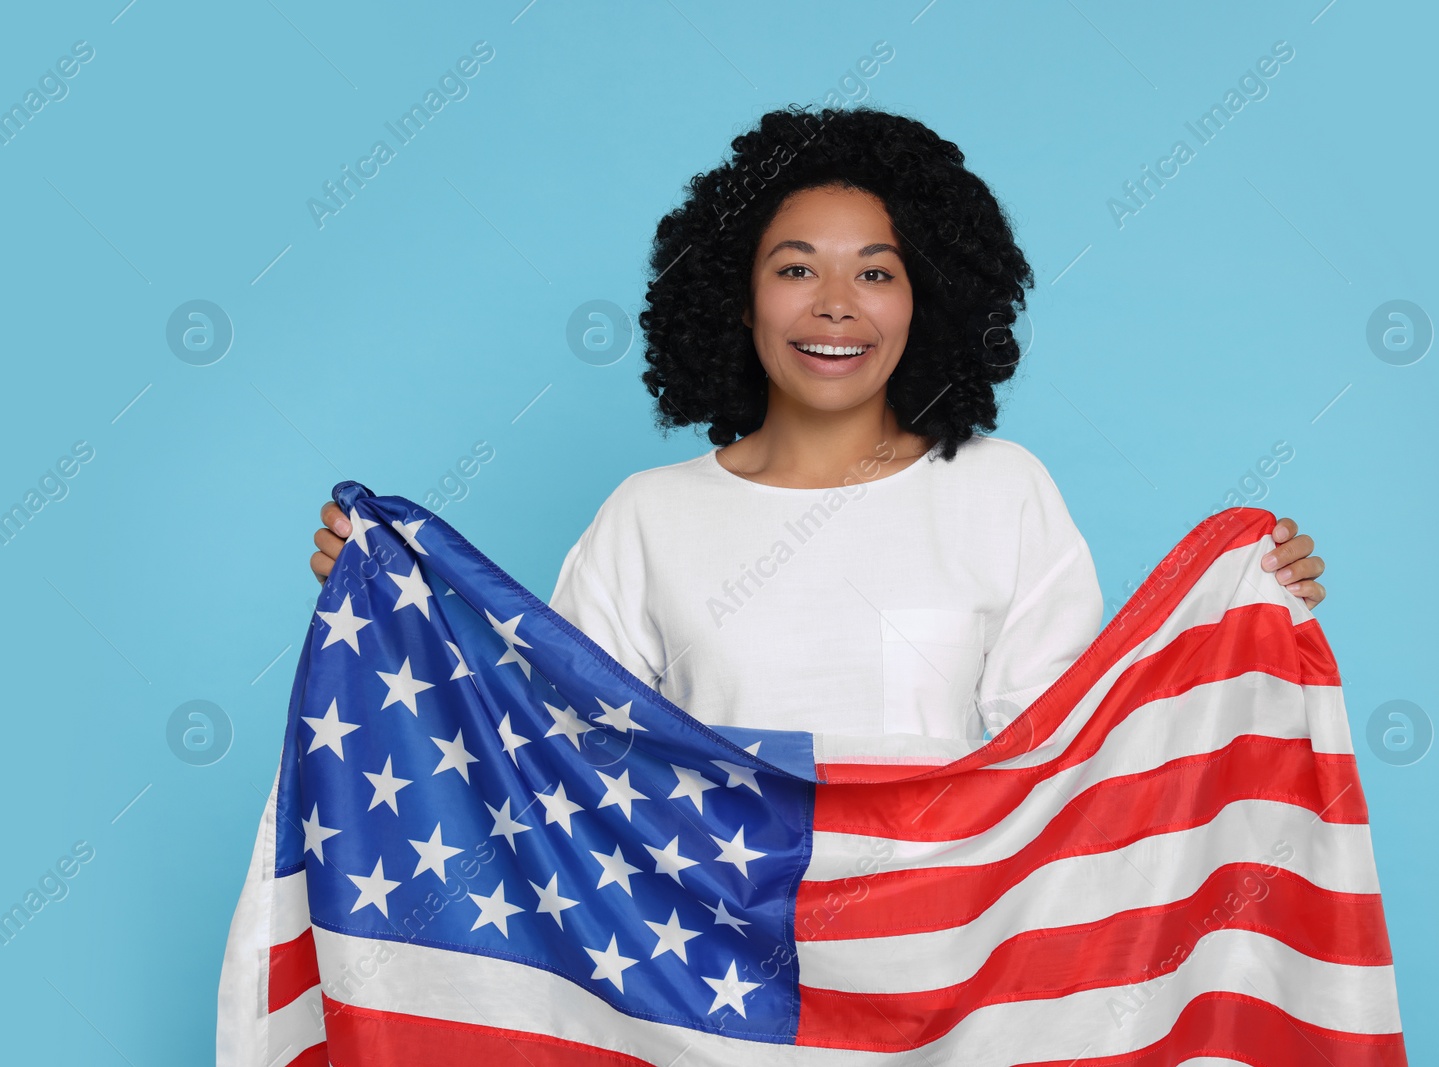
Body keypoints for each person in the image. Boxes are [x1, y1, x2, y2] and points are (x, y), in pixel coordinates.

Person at [307, 106, 1326, 741]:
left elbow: (1071, 752)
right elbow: (553, 746)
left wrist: (1236, 611)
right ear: (733, 296)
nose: (835, 304)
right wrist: (392, 602)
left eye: (874, 272)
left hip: (944, 984)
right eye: (795, 267)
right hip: (710, 996)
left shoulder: (1001, 491)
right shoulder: (648, 516)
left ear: (927, 298)